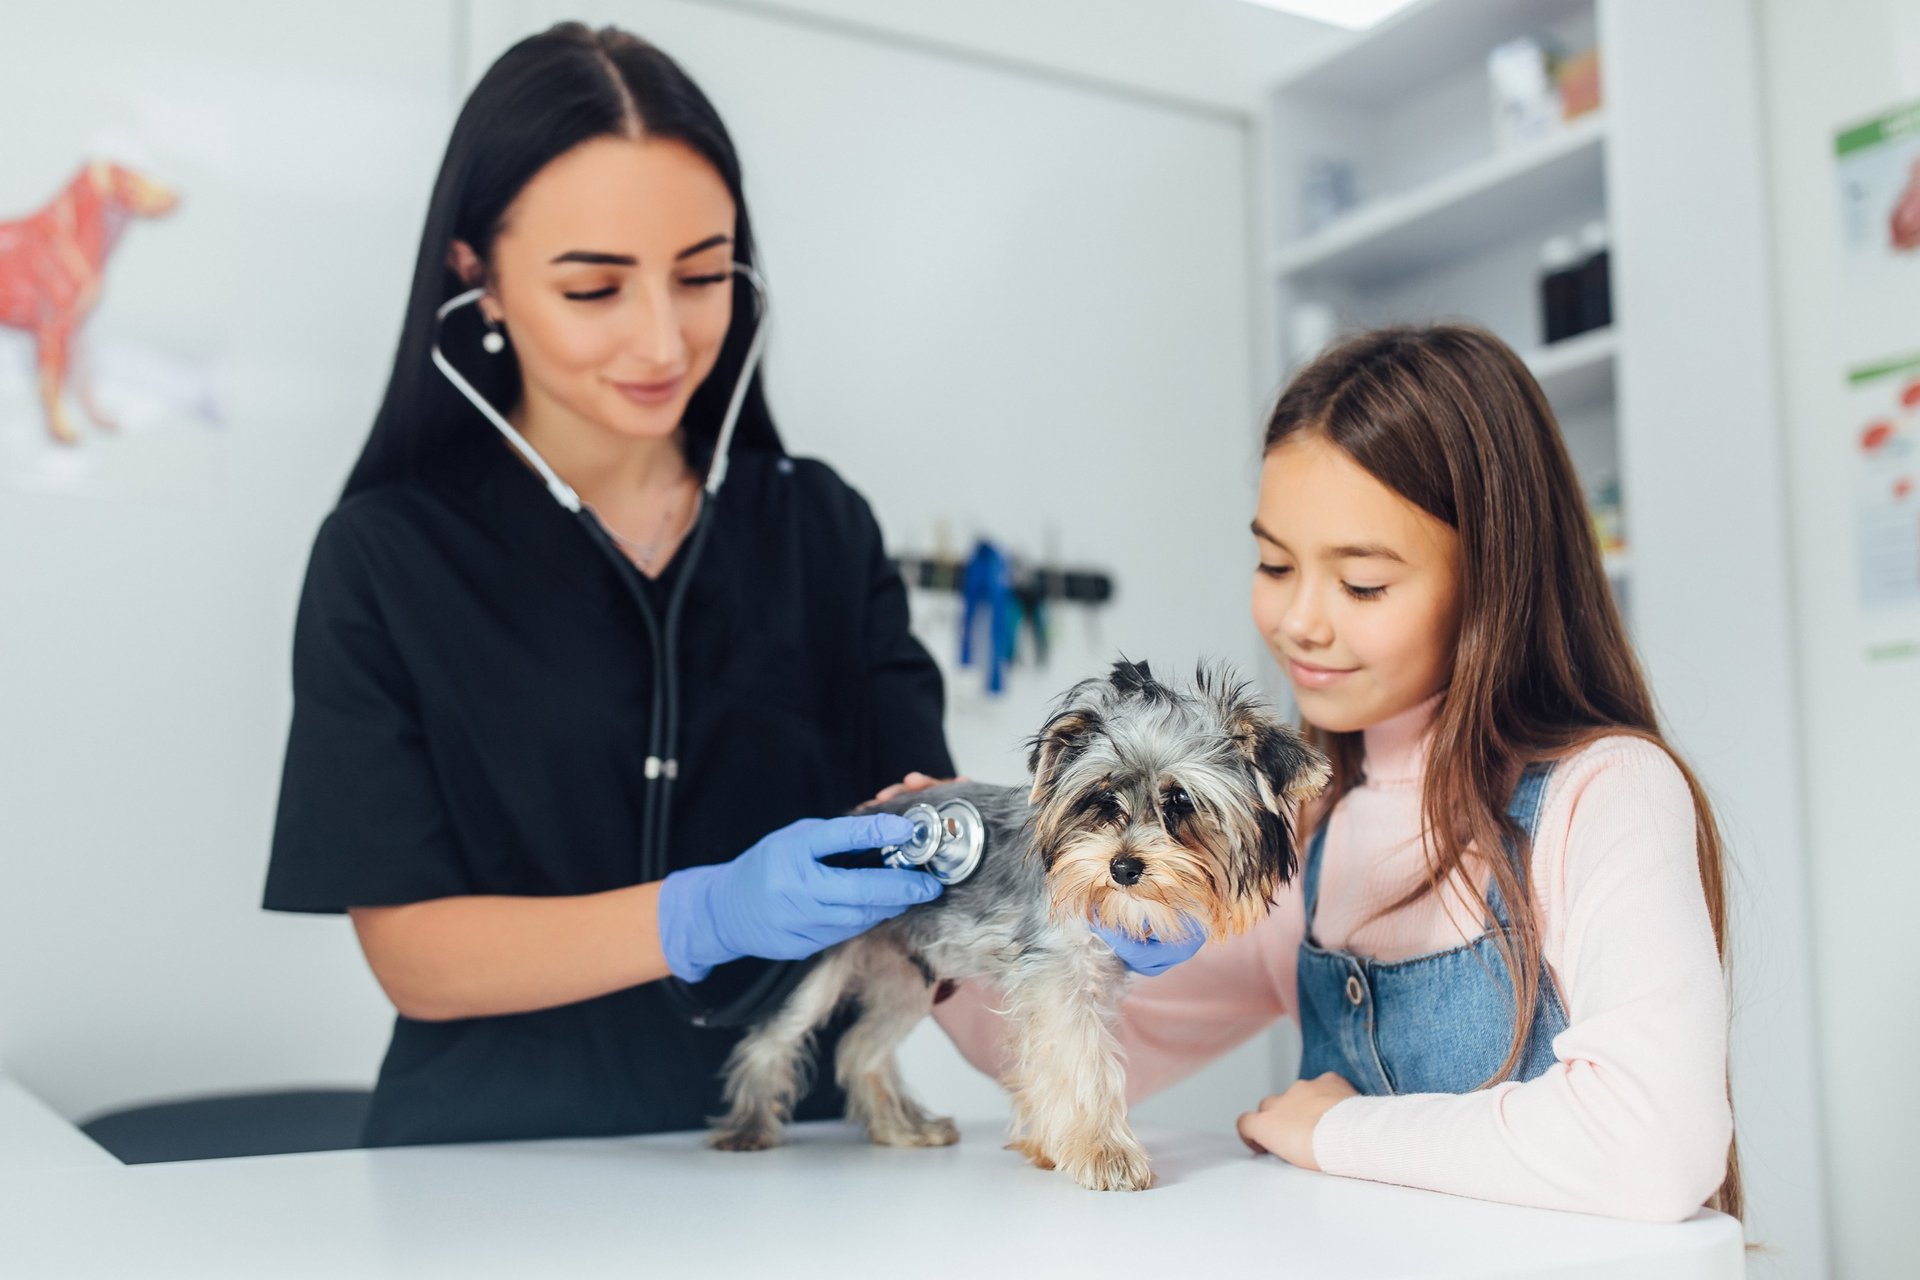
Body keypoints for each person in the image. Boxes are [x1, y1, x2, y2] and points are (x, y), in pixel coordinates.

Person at [263, 23, 952, 1148]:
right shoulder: (386, 556)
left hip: (796, 1169)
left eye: (701, 275)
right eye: (594, 288)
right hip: (495, 1172)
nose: (663, 340)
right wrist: (705, 910)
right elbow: (417, 958)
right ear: (473, 276)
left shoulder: (819, 527)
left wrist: (1044, 878)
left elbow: (917, 834)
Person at [933, 324, 1741, 1222]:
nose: (1299, 622)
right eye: (1274, 564)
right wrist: (931, 903)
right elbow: (1070, 1026)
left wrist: (1338, 1132)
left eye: (1361, 584)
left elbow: (1653, 1147)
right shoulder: (1305, 835)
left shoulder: (1606, 794)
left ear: (1492, 583)